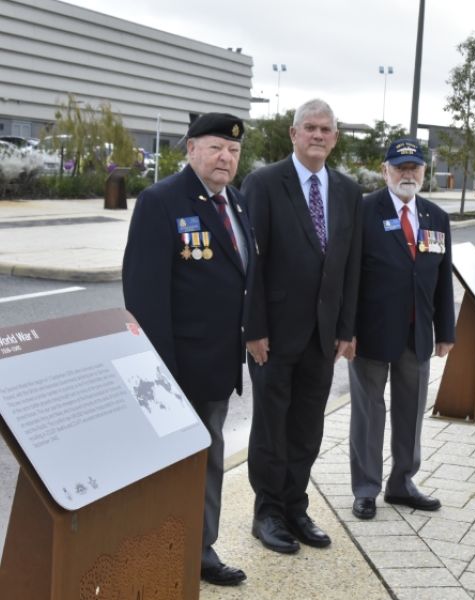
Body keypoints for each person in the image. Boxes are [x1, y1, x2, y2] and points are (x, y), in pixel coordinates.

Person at [122, 113, 252, 587]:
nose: (226, 157)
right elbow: (143, 296)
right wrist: (161, 374)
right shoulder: (161, 202)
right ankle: (155, 550)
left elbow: (240, 284)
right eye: (216, 147)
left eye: (234, 151)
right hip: (174, 369)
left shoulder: (235, 203)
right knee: (167, 467)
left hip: (217, 368)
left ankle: (200, 550)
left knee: (208, 459)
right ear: (191, 149)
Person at [242, 99, 362, 553]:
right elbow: (251, 263)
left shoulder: (349, 193)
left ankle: (295, 506)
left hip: (323, 336)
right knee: (272, 426)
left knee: (308, 427)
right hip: (272, 335)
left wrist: (347, 329)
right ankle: (267, 512)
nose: (317, 135)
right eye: (309, 127)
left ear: (334, 138)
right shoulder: (265, 184)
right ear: (293, 134)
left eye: (325, 129)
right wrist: (253, 329)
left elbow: (351, 268)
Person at [349, 138, 455, 520]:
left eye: (414, 168)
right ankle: (365, 488)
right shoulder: (362, 211)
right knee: (369, 413)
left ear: (424, 172)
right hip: (371, 332)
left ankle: (402, 483)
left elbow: (443, 279)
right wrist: (347, 330)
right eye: (400, 167)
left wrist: (446, 331)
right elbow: (349, 277)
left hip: (418, 334)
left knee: (410, 412)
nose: (407, 174)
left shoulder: (435, 217)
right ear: (385, 170)